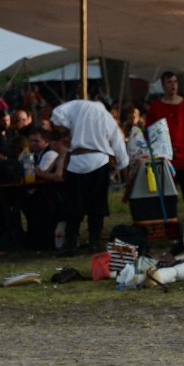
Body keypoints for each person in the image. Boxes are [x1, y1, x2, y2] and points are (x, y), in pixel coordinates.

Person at [50, 98, 129, 255]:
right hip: (98, 162)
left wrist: (65, 130)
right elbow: (119, 145)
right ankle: (93, 243)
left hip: (77, 162)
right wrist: (123, 169)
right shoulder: (108, 118)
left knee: (73, 206)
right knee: (96, 206)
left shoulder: (78, 105)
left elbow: (56, 115)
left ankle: (71, 244)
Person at [145, 71, 184, 215]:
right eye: (169, 82)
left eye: (175, 82)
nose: (173, 85)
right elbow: (149, 131)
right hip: (164, 158)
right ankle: (170, 220)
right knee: (167, 192)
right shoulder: (156, 107)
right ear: (163, 85)